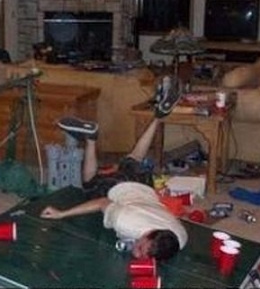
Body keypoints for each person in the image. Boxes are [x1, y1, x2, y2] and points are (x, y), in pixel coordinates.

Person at [41, 76, 189, 262]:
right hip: (117, 187)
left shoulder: (180, 238)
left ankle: (159, 117)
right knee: (89, 183)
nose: (138, 254)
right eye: (140, 248)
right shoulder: (125, 222)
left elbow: (162, 234)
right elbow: (102, 203)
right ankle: (91, 138)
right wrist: (62, 213)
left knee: (135, 158)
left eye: (143, 254)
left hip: (144, 183)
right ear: (148, 233)